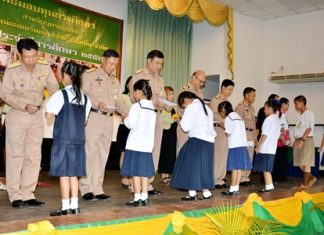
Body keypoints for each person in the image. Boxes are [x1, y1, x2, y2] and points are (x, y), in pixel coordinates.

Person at [1, 38, 58, 208]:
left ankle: (27, 193)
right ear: (20, 55)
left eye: (34, 56)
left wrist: (50, 105)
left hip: (36, 117)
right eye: (27, 57)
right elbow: (5, 94)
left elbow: (54, 88)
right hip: (17, 116)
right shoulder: (12, 70)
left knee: (33, 156)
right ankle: (14, 194)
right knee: (15, 156)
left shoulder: (44, 66)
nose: (31, 60)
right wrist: (24, 105)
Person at [79, 49, 127, 201]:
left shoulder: (115, 81)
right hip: (94, 116)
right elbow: (83, 94)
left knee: (103, 154)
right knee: (89, 153)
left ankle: (97, 187)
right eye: (111, 63)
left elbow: (118, 100)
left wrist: (125, 112)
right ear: (103, 60)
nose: (113, 67)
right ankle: (86, 188)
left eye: (116, 65)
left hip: (109, 119)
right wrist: (97, 103)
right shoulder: (90, 75)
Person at [45, 61, 91, 216]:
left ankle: (65, 207)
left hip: (63, 140)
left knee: (64, 174)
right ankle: (75, 205)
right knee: (74, 174)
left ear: (65, 76)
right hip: (78, 141)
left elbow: (49, 115)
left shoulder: (60, 94)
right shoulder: (85, 98)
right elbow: (84, 121)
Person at [129, 50, 172, 196]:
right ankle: (135, 185)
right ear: (149, 61)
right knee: (141, 150)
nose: (159, 66)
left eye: (161, 64)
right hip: (144, 116)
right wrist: (155, 102)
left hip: (157, 116)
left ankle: (148, 183)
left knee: (154, 150)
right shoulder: (139, 76)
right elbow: (133, 96)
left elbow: (162, 97)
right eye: (157, 63)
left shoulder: (160, 79)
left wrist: (166, 104)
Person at [171, 91, 216, 201]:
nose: (184, 108)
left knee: (189, 165)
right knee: (204, 167)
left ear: (185, 100)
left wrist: (179, 119)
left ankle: (192, 193)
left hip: (197, 140)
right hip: (209, 141)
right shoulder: (207, 107)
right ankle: (206, 193)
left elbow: (185, 127)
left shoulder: (191, 107)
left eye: (183, 106)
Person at [121, 79, 156, 207]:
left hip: (135, 144)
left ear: (138, 92)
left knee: (136, 172)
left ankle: (137, 197)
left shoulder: (136, 106)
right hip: (147, 145)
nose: (133, 95)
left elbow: (130, 124)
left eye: (133, 92)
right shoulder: (152, 108)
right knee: (144, 173)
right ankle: (145, 196)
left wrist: (125, 117)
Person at [218, 101, 252, 196]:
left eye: (221, 112)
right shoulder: (238, 116)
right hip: (242, 145)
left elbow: (228, 133)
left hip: (234, 145)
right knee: (238, 169)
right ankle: (235, 188)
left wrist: (222, 125)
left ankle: (232, 188)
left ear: (224, 110)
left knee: (234, 168)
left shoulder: (229, 118)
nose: (221, 114)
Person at [209, 79, 235, 188]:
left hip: (226, 131)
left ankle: (221, 178)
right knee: (218, 155)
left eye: (232, 90)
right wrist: (226, 124)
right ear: (223, 88)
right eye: (229, 89)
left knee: (224, 155)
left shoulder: (227, 102)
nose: (230, 92)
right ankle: (215, 179)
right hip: (219, 130)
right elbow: (216, 116)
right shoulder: (215, 100)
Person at [254, 100, 281, 193]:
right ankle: (269, 185)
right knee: (267, 168)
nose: (264, 110)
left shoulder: (268, 119)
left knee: (265, 168)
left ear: (270, 108)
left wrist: (258, 146)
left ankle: (269, 186)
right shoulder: (277, 119)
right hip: (272, 148)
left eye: (265, 108)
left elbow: (264, 134)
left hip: (266, 148)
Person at [177, 70, 206, 150]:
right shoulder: (184, 90)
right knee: (185, 154)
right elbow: (182, 110)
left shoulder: (200, 93)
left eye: (203, 82)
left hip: (198, 129)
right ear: (193, 77)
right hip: (186, 128)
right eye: (200, 81)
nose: (201, 84)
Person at [293, 95, 316, 188]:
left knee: (306, 163)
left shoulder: (309, 113)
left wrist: (303, 140)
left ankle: (304, 184)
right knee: (299, 163)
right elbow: (299, 129)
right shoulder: (300, 115)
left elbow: (309, 128)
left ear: (302, 103)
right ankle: (312, 178)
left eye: (296, 103)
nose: (295, 105)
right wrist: (296, 140)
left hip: (306, 140)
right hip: (299, 140)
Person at [235, 87, 256, 186]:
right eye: (252, 95)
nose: (254, 98)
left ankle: (246, 176)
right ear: (246, 95)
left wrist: (255, 137)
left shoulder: (252, 108)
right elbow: (237, 122)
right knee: (244, 155)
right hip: (244, 133)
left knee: (250, 155)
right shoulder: (240, 106)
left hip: (251, 134)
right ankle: (242, 177)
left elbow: (254, 124)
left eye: (254, 96)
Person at [158, 86, 178, 184]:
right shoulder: (163, 105)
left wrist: (177, 118)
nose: (172, 96)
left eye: (172, 94)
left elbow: (175, 116)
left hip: (172, 132)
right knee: (164, 153)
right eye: (170, 94)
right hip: (165, 131)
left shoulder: (173, 106)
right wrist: (172, 120)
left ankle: (167, 174)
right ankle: (163, 176)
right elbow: (162, 118)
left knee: (170, 154)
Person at [116, 76, 133, 189]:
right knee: (124, 152)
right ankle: (124, 177)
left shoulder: (139, 99)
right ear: (127, 85)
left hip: (135, 128)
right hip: (124, 127)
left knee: (132, 153)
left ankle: (131, 177)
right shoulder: (123, 97)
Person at [272, 98, 290, 183]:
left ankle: (282, 177)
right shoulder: (277, 114)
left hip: (284, 142)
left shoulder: (284, 115)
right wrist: (282, 138)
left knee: (283, 161)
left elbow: (285, 128)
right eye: (287, 104)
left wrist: (288, 138)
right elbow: (277, 128)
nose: (288, 106)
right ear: (282, 104)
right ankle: (275, 178)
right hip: (278, 141)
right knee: (277, 161)